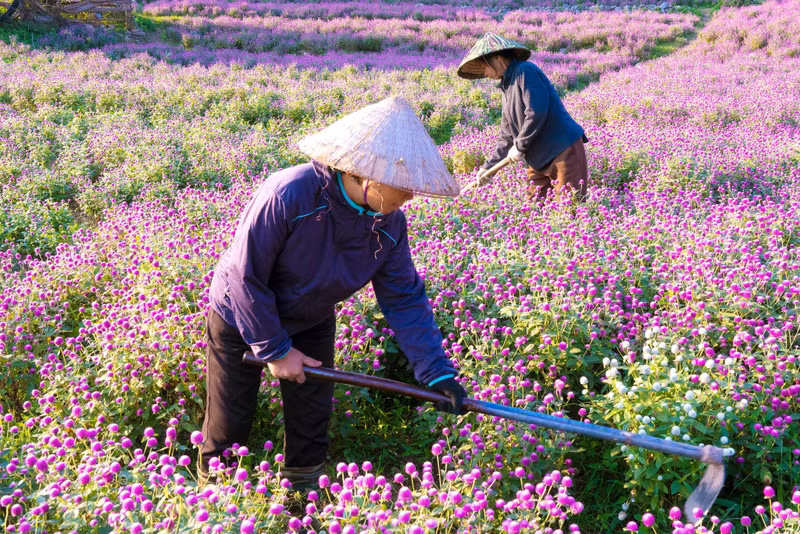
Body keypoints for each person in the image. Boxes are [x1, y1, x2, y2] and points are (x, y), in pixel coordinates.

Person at [198, 96, 468, 491]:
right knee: (230, 416)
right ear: (369, 176)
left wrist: (436, 372)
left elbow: (403, 298)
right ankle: (215, 493)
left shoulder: (390, 224)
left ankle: (301, 493)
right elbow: (244, 276)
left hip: (311, 315)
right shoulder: (290, 194)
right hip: (241, 314)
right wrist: (274, 349)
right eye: (404, 186)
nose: (411, 196)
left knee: (311, 415)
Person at [457, 32, 589, 203]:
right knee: (533, 207)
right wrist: (487, 168)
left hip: (562, 150)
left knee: (571, 206)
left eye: (484, 67)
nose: (484, 73)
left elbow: (536, 111)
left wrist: (520, 146)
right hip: (538, 159)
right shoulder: (506, 87)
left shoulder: (526, 71)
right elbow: (507, 136)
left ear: (496, 58)